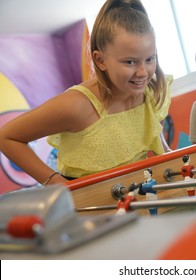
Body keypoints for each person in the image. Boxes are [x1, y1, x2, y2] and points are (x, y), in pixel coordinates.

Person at [0, 0, 172, 186]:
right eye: (130, 62)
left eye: (149, 59)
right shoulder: (76, 105)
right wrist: (54, 180)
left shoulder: (153, 91)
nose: (142, 72)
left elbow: (158, 142)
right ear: (100, 60)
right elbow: (7, 137)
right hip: (90, 205)